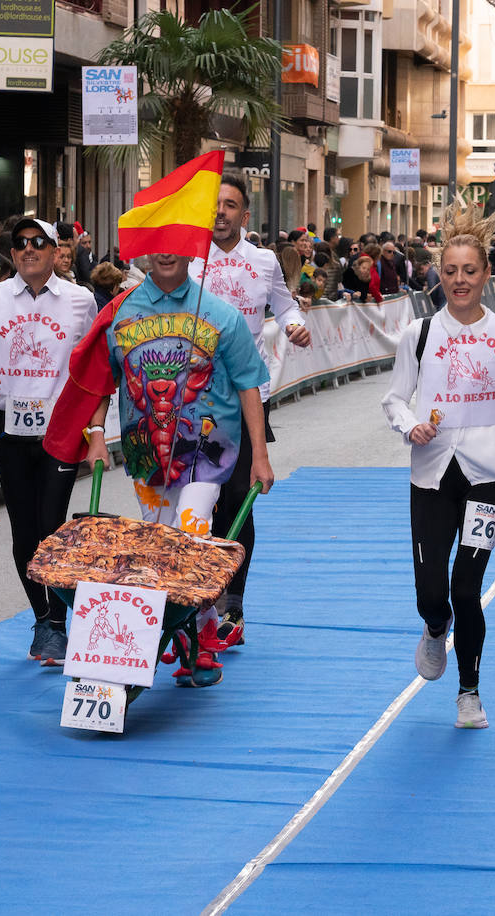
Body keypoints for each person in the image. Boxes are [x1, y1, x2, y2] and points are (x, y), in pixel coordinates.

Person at [76, 242, 273, 684]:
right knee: (164, 551)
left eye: (174, 246)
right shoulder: (117, 313)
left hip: (209, 452)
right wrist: (94, 436)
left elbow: (247, 385)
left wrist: (259, 455)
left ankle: (196, 638)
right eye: (156, 246)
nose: (165, 254)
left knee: (192, 531)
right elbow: (100, 383)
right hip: (146, 456)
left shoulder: (221, 313)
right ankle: (195, 635)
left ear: (189, 251)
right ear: (143, 253)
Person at [381, 205, 495, 728]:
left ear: (486, 273)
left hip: (488, 478)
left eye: (469, 271)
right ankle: (434, 627)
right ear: (439, 274)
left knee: (467, 586)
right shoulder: (419, 335)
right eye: (449, 271)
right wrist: (411, 427)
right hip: (430, 475)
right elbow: (394, 399)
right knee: (433, 589)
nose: (459, 281)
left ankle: (469, 692)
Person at [0, 217, 97, 664]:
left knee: (52, 523)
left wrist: (95, 432)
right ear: (12, 254)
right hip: (10, 428)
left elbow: (93, 370)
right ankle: (42, 617)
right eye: (21, 244)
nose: (29, 250)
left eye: (39, 243)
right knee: (24, 530)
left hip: (60, 430)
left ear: (56, 251)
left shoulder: (80, 301)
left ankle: (57, 624)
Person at [190, 174, 312, 648]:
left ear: (245, 215)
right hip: (193, 397)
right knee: (198, 501)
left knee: (240, 498)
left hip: (245, 398)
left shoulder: (263, 261)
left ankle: (232, 605)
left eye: (230, 205)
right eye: (213, 205)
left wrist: (297, 326)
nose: (220, 212)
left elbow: (285, 308)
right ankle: (196, 600)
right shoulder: (188, 259)